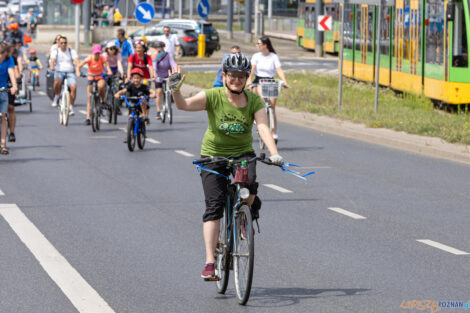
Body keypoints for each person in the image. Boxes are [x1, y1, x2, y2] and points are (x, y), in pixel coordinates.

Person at [169, 54, 283, 279]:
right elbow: (183, 105)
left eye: (241, 76)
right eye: (232, 76)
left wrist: (274, 153)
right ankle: (210, 262)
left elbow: (262, 127)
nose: (237, 80)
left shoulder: (253, 100)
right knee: (214, 206)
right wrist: (175, 90)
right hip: (214, 156)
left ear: (246, 77)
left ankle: (245, 215)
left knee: (249, 187)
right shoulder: (213, 96)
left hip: (242, 155)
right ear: (225, 76)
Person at [247, 36, 289, 142]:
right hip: (259, 81)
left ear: (265, 45)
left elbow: (279, 69)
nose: (257, 46)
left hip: (270, 81)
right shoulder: (256, 56)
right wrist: (249, 80)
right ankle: (261, 121)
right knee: (262, 99)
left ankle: (274, 133)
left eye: (259, 44)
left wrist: (284, 81)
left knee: (272, 106)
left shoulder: (273, 57)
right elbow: (252, 69)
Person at [78, 45, 111, 125]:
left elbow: (107, 65)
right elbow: (79, 66)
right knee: (89, 98)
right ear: (93, 53)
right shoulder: (89, 58)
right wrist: (78, 72)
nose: (97, 55)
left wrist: (109, 71)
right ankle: (88, 117)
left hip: (100, 77)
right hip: (91, 77)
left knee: (101, 86)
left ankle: (102, 101)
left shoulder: (102, 58)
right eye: (95, 53)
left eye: (98, 53)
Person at [49, 35, 80, 116]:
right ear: (59, 43)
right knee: (57, 82)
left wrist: (77, 70)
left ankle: (71, 107)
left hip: (70, 72)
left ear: (67, 43)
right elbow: (52, 60)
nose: (63, 44)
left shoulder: (71, 51)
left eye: (65, 43)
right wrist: (51, 66)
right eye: (61, 43)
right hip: (59, 71)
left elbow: (77, 61)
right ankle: (56, 96)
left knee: (74, 87)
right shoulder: (56, 51)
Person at [0, 43, 18, 155]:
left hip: (3, 90)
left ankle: (3, 145)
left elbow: (11, 72)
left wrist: (14, 85)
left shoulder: (9, 59)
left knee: (3, 116)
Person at [151, 41, 176, 119]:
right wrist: (154, 75)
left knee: (171, 86)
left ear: (163, 48)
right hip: (159, 76)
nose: (159, 50)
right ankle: (158, 111)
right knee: (158, 92)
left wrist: (175, 71)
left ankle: (170, 97)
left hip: (168, 75)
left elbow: (173, 63)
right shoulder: (156, 56)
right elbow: (154, 66)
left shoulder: (168, 55)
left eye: (160, 48)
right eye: (157, 49)